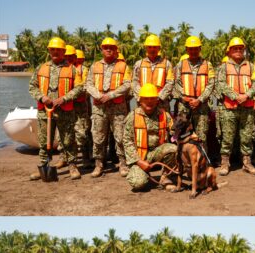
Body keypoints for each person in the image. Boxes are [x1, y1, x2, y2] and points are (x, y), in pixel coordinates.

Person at [28, 37, 83, 180]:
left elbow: (79, 88)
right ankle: (43, 166)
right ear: (49, 51)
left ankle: (72, 166)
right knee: (44, 141)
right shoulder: (41, 68)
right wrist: (42, 97)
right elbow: (32, 87)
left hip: (65, 112)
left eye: (58, 50)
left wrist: (64, 99)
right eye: (52, 49)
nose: (55, 52)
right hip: (44, 112)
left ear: (64, 52)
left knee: (68, 140)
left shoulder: (72, 69)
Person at [85, 37, 131, 178]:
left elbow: (127, 84)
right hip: (99, 108)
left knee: (120, 137)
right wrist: (98, 95)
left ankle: (123, 164)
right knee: (98, 136)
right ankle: (99, 164)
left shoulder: (123, 66)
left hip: (118, 108)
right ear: (102, 49)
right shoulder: (95, 66)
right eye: (106, 47)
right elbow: (88, 84)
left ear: (116, 50)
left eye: (112, 47)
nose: (109, 50)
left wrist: (110, 95)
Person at [122, 83, 177, 192]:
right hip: (139, 156)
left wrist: (188, 134)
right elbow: (127, 142)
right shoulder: (132, 117)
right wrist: (139, 162)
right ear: (140, 100)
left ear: (157, 100)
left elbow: (175, 132)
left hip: (157, 152)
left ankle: (166, 177)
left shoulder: (164, 115)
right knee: (138, 184)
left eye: (152, 99)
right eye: (146, 99)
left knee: (173, 149)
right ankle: (143, 174)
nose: (149, 102)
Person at [216, 37, 255, 176]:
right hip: (229, 107)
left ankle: (247, 163)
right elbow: (221, 84)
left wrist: (246, 95)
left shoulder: (251, 66)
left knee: (247, 137)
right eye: (235, 48)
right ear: (229, 51)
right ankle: (225, 163)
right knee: (227, 137)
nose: (238, 50)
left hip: (247, 106)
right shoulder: (223, 67)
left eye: (241, 48)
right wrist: (236, 96)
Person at [172, 36, 214, 146]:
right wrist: (185, 98)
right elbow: (176, 83)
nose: (193, 51)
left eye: (196, 48)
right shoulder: (180, 65)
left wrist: (199, 100)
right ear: (187, 50)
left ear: (200, 49)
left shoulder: (208, 65)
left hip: (202, 106)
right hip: (184, 106)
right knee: (182, 134)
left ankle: (201, 156)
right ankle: (182, 156)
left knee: (201, 136)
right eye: (191, 49)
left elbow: (211, 84)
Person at [132, 34, 174, 112]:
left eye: (155, 47)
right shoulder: (139, 64)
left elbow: (170, 83)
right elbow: (134, 82)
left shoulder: (166, 64)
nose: (152, 49)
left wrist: (159, 97)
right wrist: (142, 97)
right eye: (150, 47)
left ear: (159, 48)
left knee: (163, 120)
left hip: (161, 103)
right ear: (146, 48)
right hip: (143, 104)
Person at [72, 48, 93, 168]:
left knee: (84, 130)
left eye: (80, 59)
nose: (78, 61)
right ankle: (66, 158)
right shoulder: (66, 69)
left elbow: (85, 86)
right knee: (66, 133)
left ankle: (86, 156)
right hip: (67, 105)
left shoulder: (84, 70)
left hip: (82, 104)